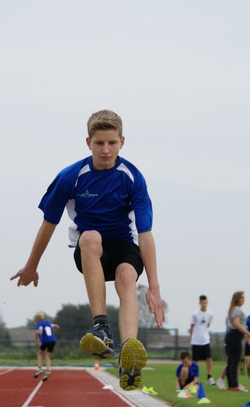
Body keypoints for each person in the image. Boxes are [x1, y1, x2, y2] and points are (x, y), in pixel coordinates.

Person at [11, 109, 165, 391]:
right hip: (91, 252)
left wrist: (154, 286)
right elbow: (48, 224)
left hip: (124, 247)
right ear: (88, 142)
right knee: (90, 237)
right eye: (99, 143)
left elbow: (145, 235)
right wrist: (32, 265)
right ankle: (101, 328)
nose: (106, 150)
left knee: (127, 278)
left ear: (122, 142)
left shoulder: (132, 178)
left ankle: (128, 358)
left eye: (112, 143)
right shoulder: (71, 177)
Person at [224, 291, 250, 392]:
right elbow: (236, 324)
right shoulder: (236, 309)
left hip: (232, 336)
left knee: (231, 361)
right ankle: (234, 385)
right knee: (234, 362)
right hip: (234, 336)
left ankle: (231, 385)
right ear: (237, 299)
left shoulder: (233, 309)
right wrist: (247, 333)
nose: (243, 300)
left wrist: (244, 335)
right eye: (242, 298)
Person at [189, 295, 215, 385]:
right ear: (200, 303)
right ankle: (194, 378)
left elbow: (208, 325)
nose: (204, 304)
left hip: (205, 340)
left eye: (206, 302)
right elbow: (192, 327)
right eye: (202, 302)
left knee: (209, 358)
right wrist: (191, 338)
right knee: (195, 360)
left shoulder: (210, 314)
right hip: (196, 340)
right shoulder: (195, 314)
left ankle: (209, 377)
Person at [33, 312, 59, 381]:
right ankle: (48, 370)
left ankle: (39, 368)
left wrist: (36, 340)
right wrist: (52, 333)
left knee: (40, 353)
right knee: (47, 356)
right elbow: (57, 326)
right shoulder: (48, 322)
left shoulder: (39, 323)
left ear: (37, 318)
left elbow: (37, 332)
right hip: (53, 340)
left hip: (45, 340)